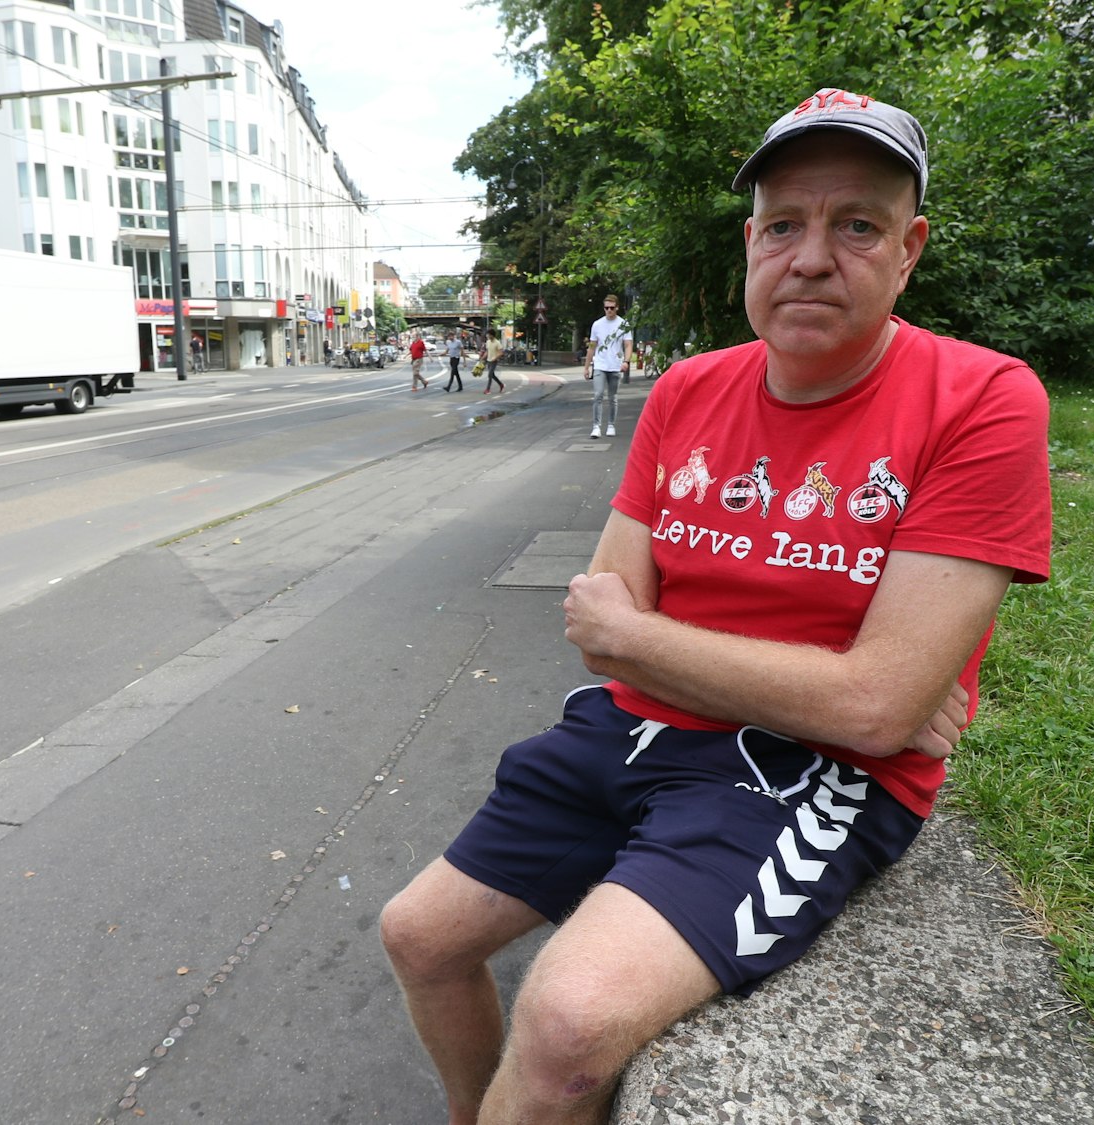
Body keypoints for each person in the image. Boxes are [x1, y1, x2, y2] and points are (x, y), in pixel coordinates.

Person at [379, 87, 1052, 1125]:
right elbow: (601, 637)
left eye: (856, 225)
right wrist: (823, 680)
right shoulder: (690, 391)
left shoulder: (981, 400)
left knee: (566, 1021)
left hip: (806, 777)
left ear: (908, 249)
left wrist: (833, 693)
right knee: (417, 936)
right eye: (783, 224)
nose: (811, 255)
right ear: (750, 242)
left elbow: (869, 715)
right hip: (632, 732)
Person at [585, 294, 632, 437]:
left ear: (617, 308)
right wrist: (587, 366)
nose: (609, 311)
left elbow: (628, 345)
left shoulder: (623, 325)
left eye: (612, 308)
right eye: (606, 308)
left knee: (613, 397)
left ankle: (611, 425)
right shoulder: (597, 325)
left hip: (615, 365)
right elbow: (592, 347)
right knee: (598, 394)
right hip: (600, 364)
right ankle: (596, 426)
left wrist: (626, 361)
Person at [481, 329, 506, 394]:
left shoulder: (497, 343)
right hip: (488, 360)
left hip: (494, 361)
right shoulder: (488, 342)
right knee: (492, 375)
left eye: (488, 334)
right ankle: (501, 385)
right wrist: (482, 358)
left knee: (490, 375)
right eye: (487, 334)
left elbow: (501, 353)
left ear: (492, 335)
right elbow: (487, 351)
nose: (487, 336)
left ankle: (488, 389)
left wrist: (495, 358)